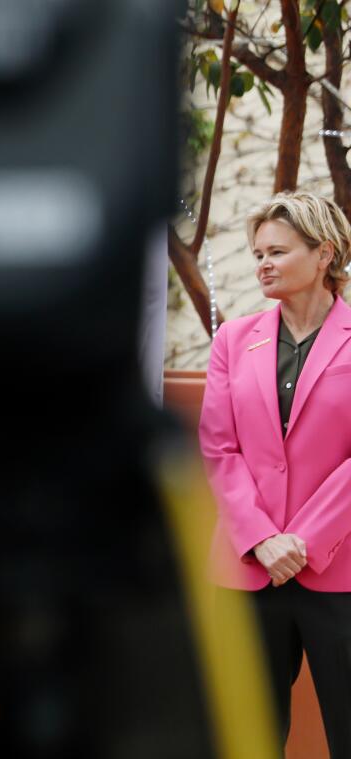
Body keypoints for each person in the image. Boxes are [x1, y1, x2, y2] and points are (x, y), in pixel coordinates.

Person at [200, 191, 351, 756]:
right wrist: (263, 538)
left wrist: (304, 540)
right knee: (246, 739)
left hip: (341, 571)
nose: (262, 262)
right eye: (257, 252)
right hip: (247, 568)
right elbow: (219, 449)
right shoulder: (233, 341)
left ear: (323, 254)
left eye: (278, 251)